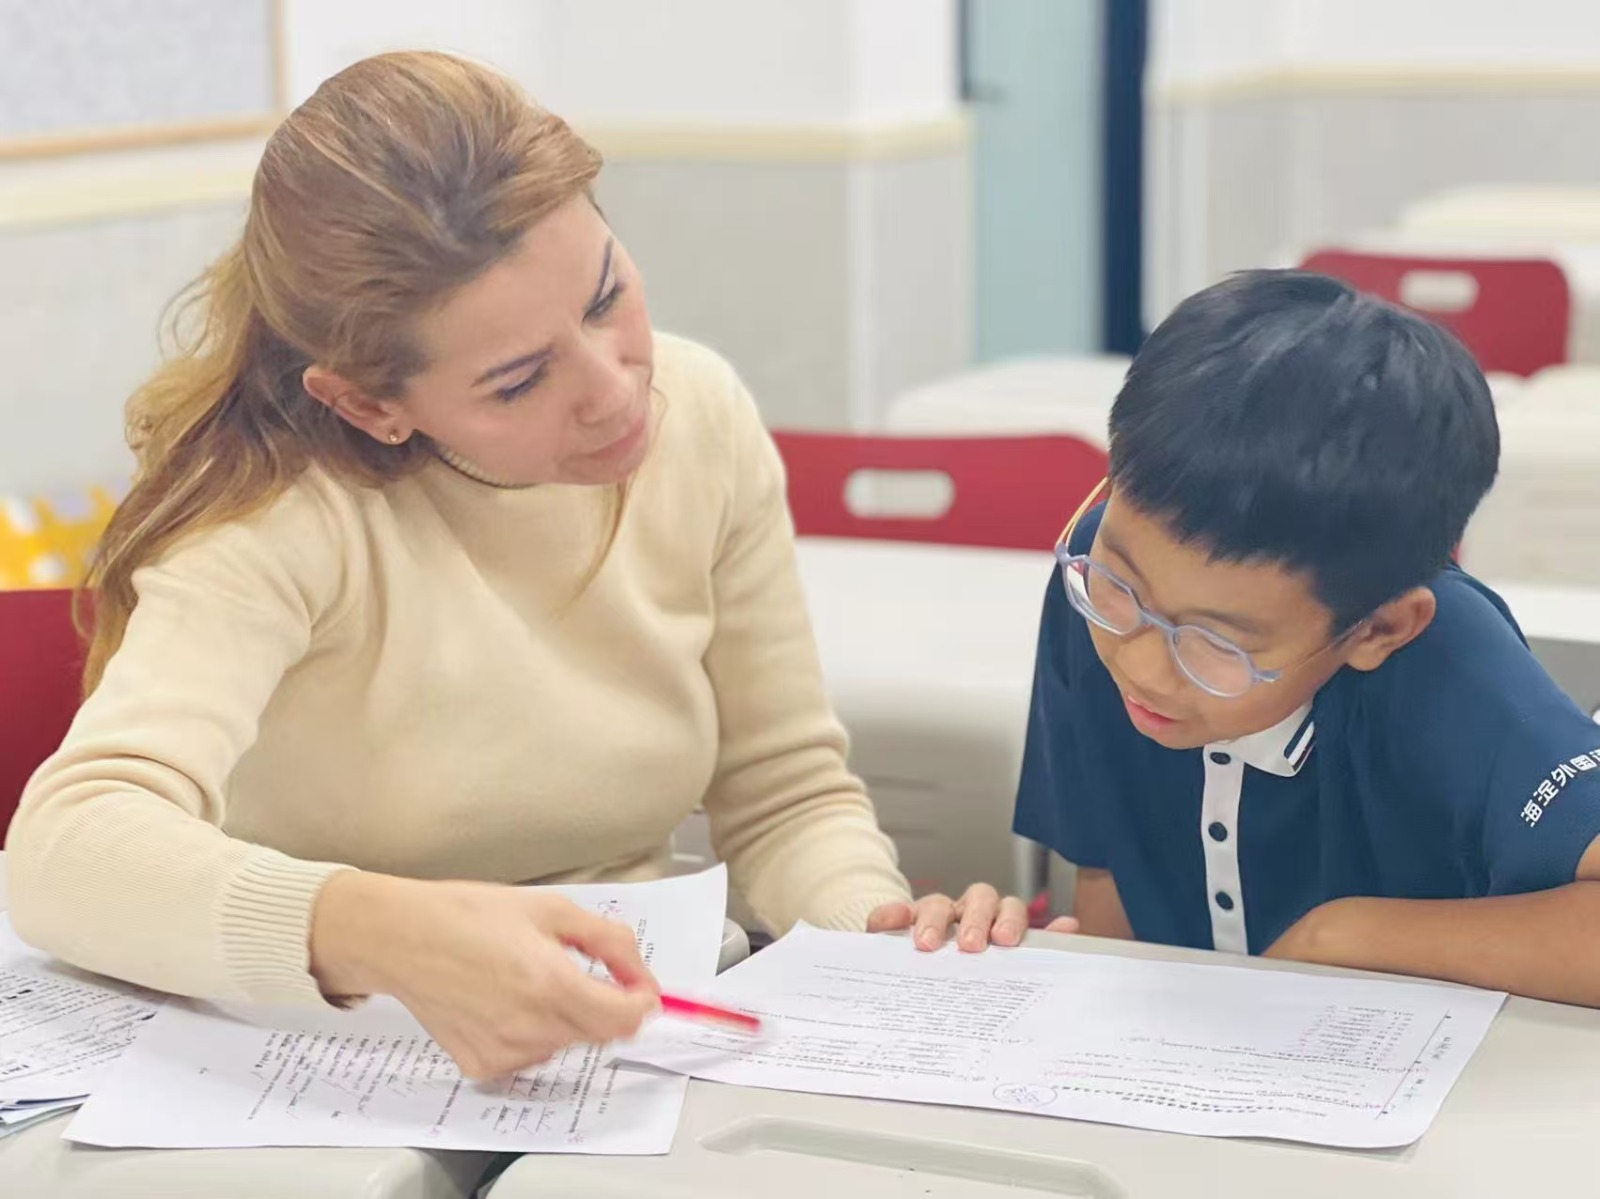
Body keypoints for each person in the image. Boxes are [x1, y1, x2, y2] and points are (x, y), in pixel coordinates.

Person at [7, 51, 1030, 1081]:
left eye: (605, 296)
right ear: (370, 403)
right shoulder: (279, 514)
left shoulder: (702, 416)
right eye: (517, 381)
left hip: (635, 1043)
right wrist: (384, 932)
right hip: (342, 1056)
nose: (613, 391)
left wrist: (878, 937)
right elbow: (66, 846)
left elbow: (785, 795)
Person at [1011, 269, 1600, 1006]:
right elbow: (1106, 868)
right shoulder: (1097, 587)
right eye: (1121, 588)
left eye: (1216, 644)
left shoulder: (1448, 665)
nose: (1143, 668)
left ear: (1378, 628)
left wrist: (1345, 935)